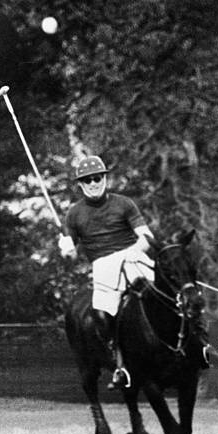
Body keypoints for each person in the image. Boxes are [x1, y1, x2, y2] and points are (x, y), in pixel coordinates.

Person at [58, 155, 155, 388]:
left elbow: (147, 237)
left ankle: (196, 345)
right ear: (80, 185)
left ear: (105, 179)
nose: (93, 183)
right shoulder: (74, 214)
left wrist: (132, 251)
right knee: (103, 313)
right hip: (102, 265)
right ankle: (119, 363)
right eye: (87, 180)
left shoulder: (124, 203)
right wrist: (66, 250)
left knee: (166, 294)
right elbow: (69, 252)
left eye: (97, 177)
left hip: (132, 256)